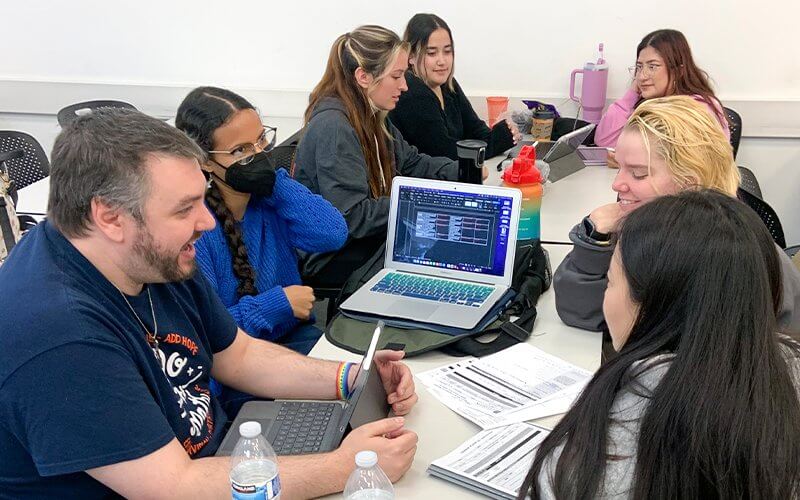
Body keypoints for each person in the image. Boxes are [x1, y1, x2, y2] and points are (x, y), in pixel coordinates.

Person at [0, 109, 418, 498]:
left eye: (202, 199)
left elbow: (238, 355)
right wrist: (345, 468)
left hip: (217, 459)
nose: (206, 221)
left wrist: (352, 378)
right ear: (110, 218)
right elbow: (171, 487)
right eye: (184, 209)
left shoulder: (150, 255)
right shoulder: (59, 335)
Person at [520, 190, 800, 499]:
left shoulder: (585, 467)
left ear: (654, 301)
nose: (621, 183)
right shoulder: (783, 371)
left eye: (610, 282)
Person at [553, 96, 800, 338]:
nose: (617, 185)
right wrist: (594, 239)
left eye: (638, 174)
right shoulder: (653, 227)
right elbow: (581, 310)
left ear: (689, 185)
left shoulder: (725, 261)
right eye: (619, 167)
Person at [175, 86, 347, 359]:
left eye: (261, 140)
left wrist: (273, 181)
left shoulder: (271, 197)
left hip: (295, 338)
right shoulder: (198, 231)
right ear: (205, 162)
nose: (259, 153)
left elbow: (332, 233)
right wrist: (278, 305)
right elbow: (207, 331)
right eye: (240, 150)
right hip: (238, 358)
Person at [294, 25, 459, 289]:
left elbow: (412, 163)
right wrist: (423, 201)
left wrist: (465, 172)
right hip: (331, 254)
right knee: (438, 252)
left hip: (363, 238)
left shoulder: (371, 115)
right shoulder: (335, 127)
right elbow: (352, 215)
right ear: (363, 76)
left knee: (447, 241)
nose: (405, 86)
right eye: (397, 76)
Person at [388, 13, 520, 160]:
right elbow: (446, 153)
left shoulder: (448, 84)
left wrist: (500, 135)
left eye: (447, 51)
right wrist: (502, 137)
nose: (442, 61)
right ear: (411, 56)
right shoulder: (412, 92)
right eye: (432, 53)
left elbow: (476, 130)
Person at [594, 29, 730, 152]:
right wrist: (632, 93)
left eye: (653, 67)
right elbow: (604, 141)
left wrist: (627, 159)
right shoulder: (649, 104)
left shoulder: (698, 109)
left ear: (678, 71)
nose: (642, 76)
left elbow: (685, 163)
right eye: (639, 67)